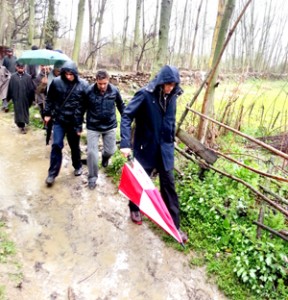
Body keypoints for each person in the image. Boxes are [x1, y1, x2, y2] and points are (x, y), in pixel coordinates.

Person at [120, 65, 188, 243]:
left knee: (169, 187)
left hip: (165, 150)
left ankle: (175, 226)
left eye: (173, 85)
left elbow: (170, 122)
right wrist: (126, 143)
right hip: (145, 147)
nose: (170, 88)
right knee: (141, 182)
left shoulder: (173, 96)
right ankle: (134, 207)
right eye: (167, 84)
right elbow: (127, 116)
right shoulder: (145, 94)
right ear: (160, 82)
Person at [44, 61, 88, 187]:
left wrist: (80, 125)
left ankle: (77, 165)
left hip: (74, 122)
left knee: (74, 146)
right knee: (56, 145)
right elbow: (49, 99)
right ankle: (52, 173)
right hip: (60, 120)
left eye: (71, 74)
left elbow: (86, 106)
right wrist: (47, 113)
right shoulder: (57, 82)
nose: (68, 76)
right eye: (66, 74)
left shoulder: (83, 85)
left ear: (75, 73)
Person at [85, 70, 125, 190]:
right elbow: (81, 107)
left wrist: (126, 118)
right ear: (96, 80)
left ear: (108, 81)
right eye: (100, 83)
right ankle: (92, 178)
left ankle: (105, 157)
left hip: (109, 125)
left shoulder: (114, 91)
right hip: (93, 126)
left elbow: (121, 105)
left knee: (111, 150)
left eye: (105, 83)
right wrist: (78, 124)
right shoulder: (89, 91)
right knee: (92, 153)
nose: (102, 86)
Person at [6, 61, 35, 133]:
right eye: (19, 68)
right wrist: (8, 97)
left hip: (25, 98)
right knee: (18, 111)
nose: (21, 69)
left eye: (22, 68)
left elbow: (31, 89)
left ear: (24, 68)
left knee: (25, 111)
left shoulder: (28, 77)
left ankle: (23, 125)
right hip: (16, 98)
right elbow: (10, 87)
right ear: (16, 67)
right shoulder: (13, 77)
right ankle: (21, 125)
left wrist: (32, 99)